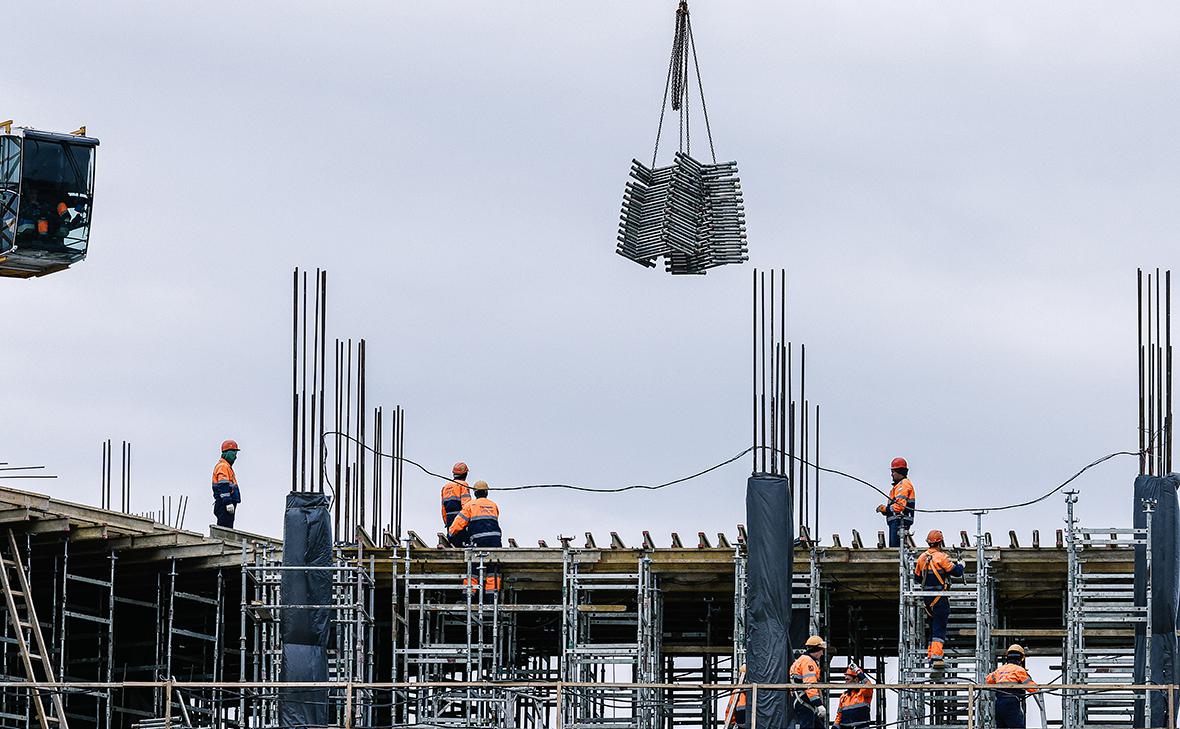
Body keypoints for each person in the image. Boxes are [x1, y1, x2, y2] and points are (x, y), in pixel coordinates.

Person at [914, 529, 963, 669]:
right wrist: (961, 565)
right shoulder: (942, 557)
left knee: (933, 626)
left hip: (927, 600)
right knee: (939, 628)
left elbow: (917, 579)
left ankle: (931, 655)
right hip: (940, 598)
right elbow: (957, 572)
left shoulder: (921, 558)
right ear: (940, 542)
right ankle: (936, 656)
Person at [986, 645, 1043, 728]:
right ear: (1020, 658)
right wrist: (1038, 689)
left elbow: (988, 680)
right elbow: (1031, 687)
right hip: (1011, 702)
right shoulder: (1018, 670)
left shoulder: (999, 670)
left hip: (999, 703)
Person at [448, 482, 501, 548]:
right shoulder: (493, 505)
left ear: (475, 493)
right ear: (486, 492)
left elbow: (458, 523)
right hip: (495, 539)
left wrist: (450, 534)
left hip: (478, 540)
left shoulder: (470, 505)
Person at [789, 636, 827, 728]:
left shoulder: (802, 660)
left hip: (804, 701)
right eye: (821, 650)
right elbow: (810, 685)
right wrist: (819, 704)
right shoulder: (808, 662)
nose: (822, 653)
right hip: (805, 701)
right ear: (816, 649)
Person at [876, 457, 916, 547]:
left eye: (893, 472)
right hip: (896, 521)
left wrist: (886, 509)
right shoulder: (898, 486)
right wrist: (886, 511)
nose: (892, 475)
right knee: (895, 548)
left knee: (896, 550)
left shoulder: (903, 485)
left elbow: (900, 506)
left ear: (900, 472)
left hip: (899, 521)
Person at [211, 439, 242, 528]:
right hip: (224, 504)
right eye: (234, 454)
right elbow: (223, 485)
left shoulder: (226, 467)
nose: (235, 457)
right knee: (224, 529)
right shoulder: (223, 466)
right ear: (228, 453)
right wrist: (228, 502)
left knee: (227, 527)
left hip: (226, 503)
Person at [833, 663, 874, 728]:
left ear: (856, 679)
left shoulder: (863, 693)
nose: (846, 682)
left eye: (848, 679)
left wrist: (857, 671)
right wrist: (835, 727)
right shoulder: (844, 696)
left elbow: (868, 686)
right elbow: (839, 715)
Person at [440, 461, 472, 528]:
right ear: (465, 474)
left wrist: (446, 522)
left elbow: (443, 508)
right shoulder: (463, 485)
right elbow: (466, 505)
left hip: (449, 519)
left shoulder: (445, 487)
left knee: (452, 538)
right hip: (460, 519)